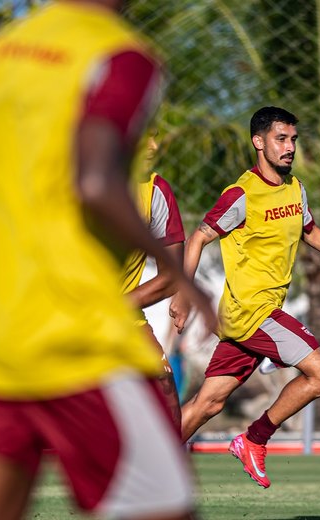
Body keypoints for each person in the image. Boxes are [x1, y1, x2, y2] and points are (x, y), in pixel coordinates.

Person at [0, 1, 217, 519]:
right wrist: (176, 276)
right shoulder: (120, 56)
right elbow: (96, 181)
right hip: (77, 340)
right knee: (167, 504)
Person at [171, 106, 320, 489]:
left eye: (293, 139)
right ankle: (254, 439)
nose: (290, 147)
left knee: (207, 404)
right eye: (281, 139)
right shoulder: (241, 194)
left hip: (255, 317)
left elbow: (308, 228)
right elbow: (198, 237)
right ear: (258, 142)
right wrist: (183, 292)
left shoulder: (295, 189)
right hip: (252, 312)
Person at [121, 135, 187, 430]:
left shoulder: (155, 190)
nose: (153, 147)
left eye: (156, 137)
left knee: (165, 392)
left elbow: (171, 275)